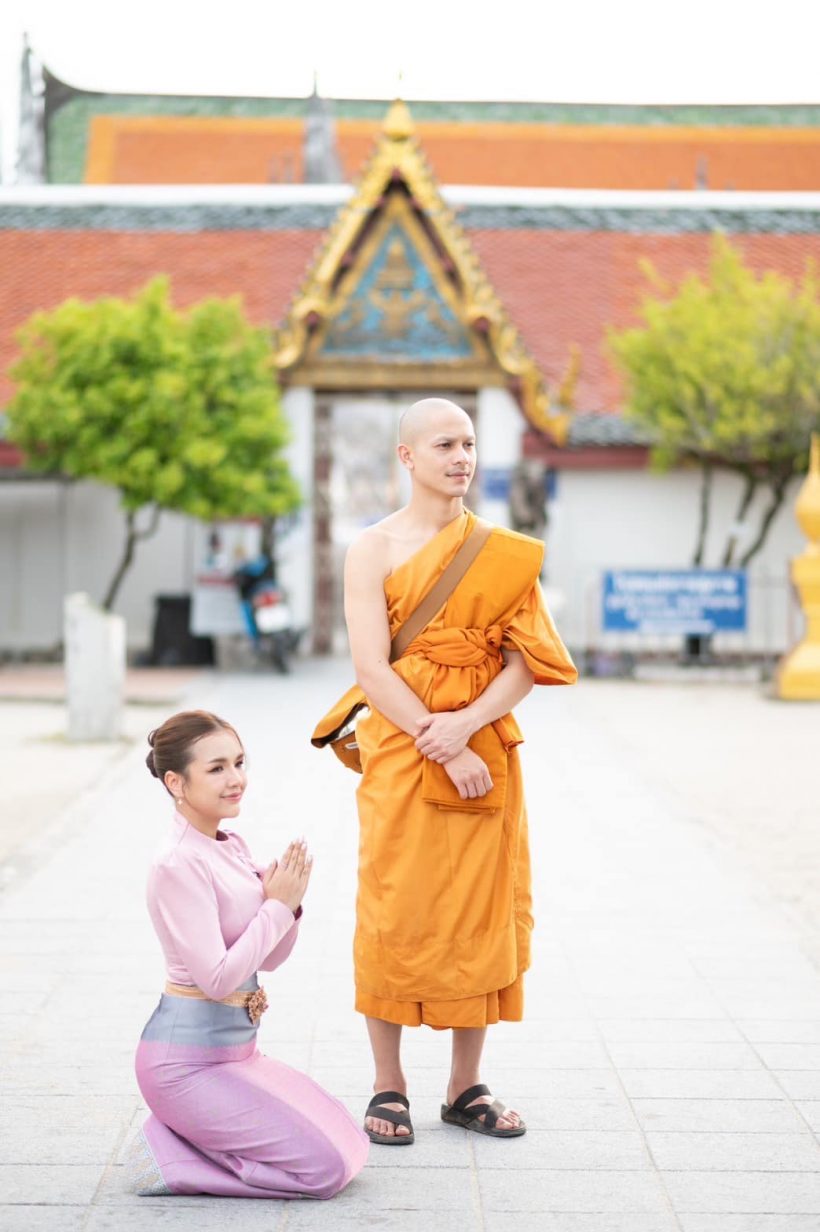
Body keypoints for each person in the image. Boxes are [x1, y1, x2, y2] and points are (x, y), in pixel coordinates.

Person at [312, 397, 578, 1144]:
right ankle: (387, 1084)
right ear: (407, 458)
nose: (460, 457)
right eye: (443, 445)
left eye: (467, 444)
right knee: (395, 907)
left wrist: (467, 726)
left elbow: (530, 661)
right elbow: (370, 666)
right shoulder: (372, 549)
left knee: (481, 909)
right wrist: (441, 739)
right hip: (404, 752)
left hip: (484, 745)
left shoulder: (501, 551)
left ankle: (466, 1086)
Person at [129, 710, 369, 1198]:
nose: (236, 779)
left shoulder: (230, 845)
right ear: (176, 781)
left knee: (351, 1144)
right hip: (184, 1067)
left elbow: (270, 960)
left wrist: (290, 904)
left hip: (239, 1054)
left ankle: (191, 1132)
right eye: (216, 768)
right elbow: (217, 980)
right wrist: (277, 907)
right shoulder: (178, 863)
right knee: (323, 1172)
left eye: (239, 763)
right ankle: (176, 1158)